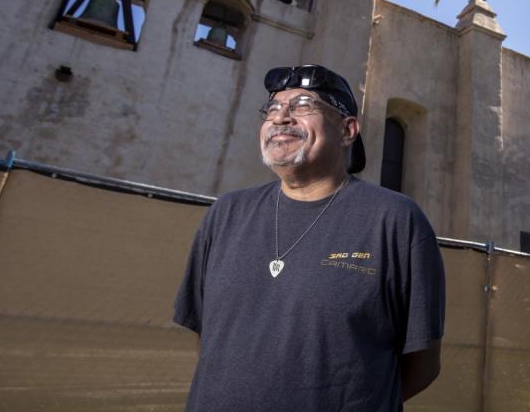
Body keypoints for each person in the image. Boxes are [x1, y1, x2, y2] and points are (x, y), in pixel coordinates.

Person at [173, 64, 446, 411]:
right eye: (272, 109)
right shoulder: (226, 213)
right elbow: (209, 339)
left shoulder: (395, 221)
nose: (280, 118)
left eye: (303, 105)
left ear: (347, 130)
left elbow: (422, 364)